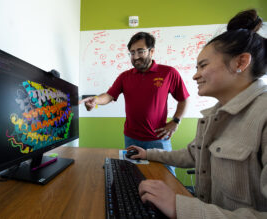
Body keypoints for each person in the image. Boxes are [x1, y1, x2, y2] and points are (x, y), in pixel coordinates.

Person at [127, 9, 267, 219]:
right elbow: (193, 154)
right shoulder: (214, 115)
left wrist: (182, 207)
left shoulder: (262, 116)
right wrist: (148, 154)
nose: (195, 75)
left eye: (203, 66)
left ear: (240, 63)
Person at [79, 32, 190, 176]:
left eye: (140, 51)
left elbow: (184, 99)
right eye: (132, 53)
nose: (135, 57)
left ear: (152, 51)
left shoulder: (169, 73)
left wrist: (176, 121)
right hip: (132, 139)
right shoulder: (125, 76)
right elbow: (109, 96)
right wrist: (95, 100)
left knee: (167, 179)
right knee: (133, 178)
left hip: (158, 140)